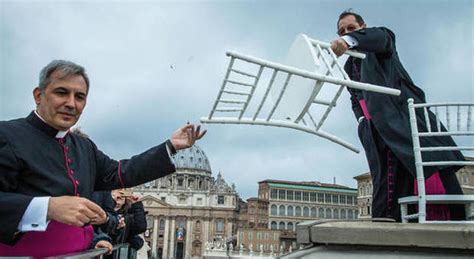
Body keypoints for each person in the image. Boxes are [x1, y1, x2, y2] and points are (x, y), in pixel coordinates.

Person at [0, 60, 206, 256]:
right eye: (61, 92)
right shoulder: (7, 135)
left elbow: (120, 172)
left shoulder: (84, 146)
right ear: (38, 95)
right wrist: (48, 207)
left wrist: (170, 147)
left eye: (79, 97)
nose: (71, 103)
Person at [330, 10, 465, 221]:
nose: (345, 32)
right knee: (385, 183)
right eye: (341, 31)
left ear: (363, 27)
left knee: (424, 172)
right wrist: (361, 120)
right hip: (376, 131)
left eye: (351, 28)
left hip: (402, 122)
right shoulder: (350, 66)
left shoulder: (380, 47)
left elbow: (382, 37)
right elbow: (355, 97)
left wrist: (349, 40)